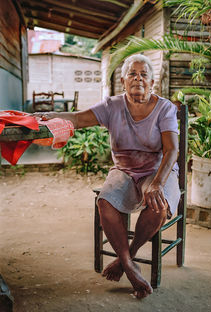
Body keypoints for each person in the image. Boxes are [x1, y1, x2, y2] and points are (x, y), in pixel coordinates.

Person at [35, 54, 180, 299]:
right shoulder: (112, 106)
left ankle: (126, 258)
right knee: (105, 201)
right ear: (123, 80)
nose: (138, 79)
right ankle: (130, 265)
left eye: (144, 75)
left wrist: (156, 184)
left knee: (158, 204)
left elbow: (172, 149)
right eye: (132, 74)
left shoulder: (164, 108)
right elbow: (80, 119)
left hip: (156, 171)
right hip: (123, 170)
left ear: (152, 82)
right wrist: (50, 116)